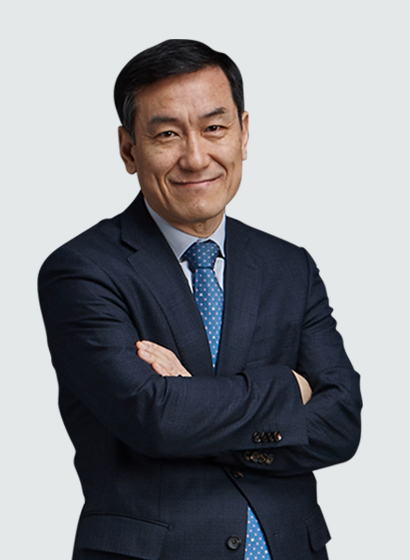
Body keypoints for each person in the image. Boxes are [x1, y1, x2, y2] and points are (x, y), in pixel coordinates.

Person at [38, 39, 362, 560]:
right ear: (129, 149)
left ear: (243, 132)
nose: (195, 157)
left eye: (214, 128)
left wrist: (192, 402)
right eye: (167, 134)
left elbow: (342, 424)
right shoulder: (82, 270)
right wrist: (288, 391)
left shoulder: (290, 266)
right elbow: (154, 419)